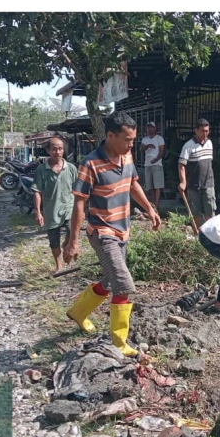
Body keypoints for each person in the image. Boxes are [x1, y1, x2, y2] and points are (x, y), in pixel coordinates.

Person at [63, 111, 161, 358]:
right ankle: (119, 342)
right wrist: (73, 241)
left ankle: (78, 312)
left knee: (109, 282)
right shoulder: (90, 163)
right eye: (127, 140)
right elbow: (79, 205)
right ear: (110, 135)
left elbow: (132, 183)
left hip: (123, 230)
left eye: (133, 140)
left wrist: (149, 209)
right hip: (102, 232)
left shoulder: (126, 156)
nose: (131, 145)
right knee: (123, 284)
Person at [31, 135, 78, 272]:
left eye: (60, 149)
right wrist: (38, 212)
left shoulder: (71, 168)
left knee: (72, 231)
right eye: (54, 149)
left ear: (64, 150)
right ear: (48, 151)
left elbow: (78, 190)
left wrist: (80, 209)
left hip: (69, 208)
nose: (57, 152)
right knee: (53, 240)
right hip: (51, 210)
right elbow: (37, 191)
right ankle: (59, 266)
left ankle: (67, 244)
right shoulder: (42, 170)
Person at [178, 119, 216, 225]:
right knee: (195, 211)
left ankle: (210, 234)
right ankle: (197, 234)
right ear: (196, 130)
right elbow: (181, 165)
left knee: (210, 209)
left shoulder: (209, 143)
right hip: (193, 184)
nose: (205, 133)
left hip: (208, 183)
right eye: (202, 131)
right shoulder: (188, 146)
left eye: (207, 131)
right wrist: (183, 182)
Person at [140, 121, 165, 210]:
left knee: (157, 185)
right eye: (148, 127)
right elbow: (141, 149)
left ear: (155, 128)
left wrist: (156, 159)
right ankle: (153, 203)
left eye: (151, 127)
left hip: (157, 164)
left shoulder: (159, 139)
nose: (150, 129)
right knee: (150, 185)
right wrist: (148, 146)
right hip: (147, 163)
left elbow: (161, 151)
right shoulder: (145, 139)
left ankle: (157, 203)